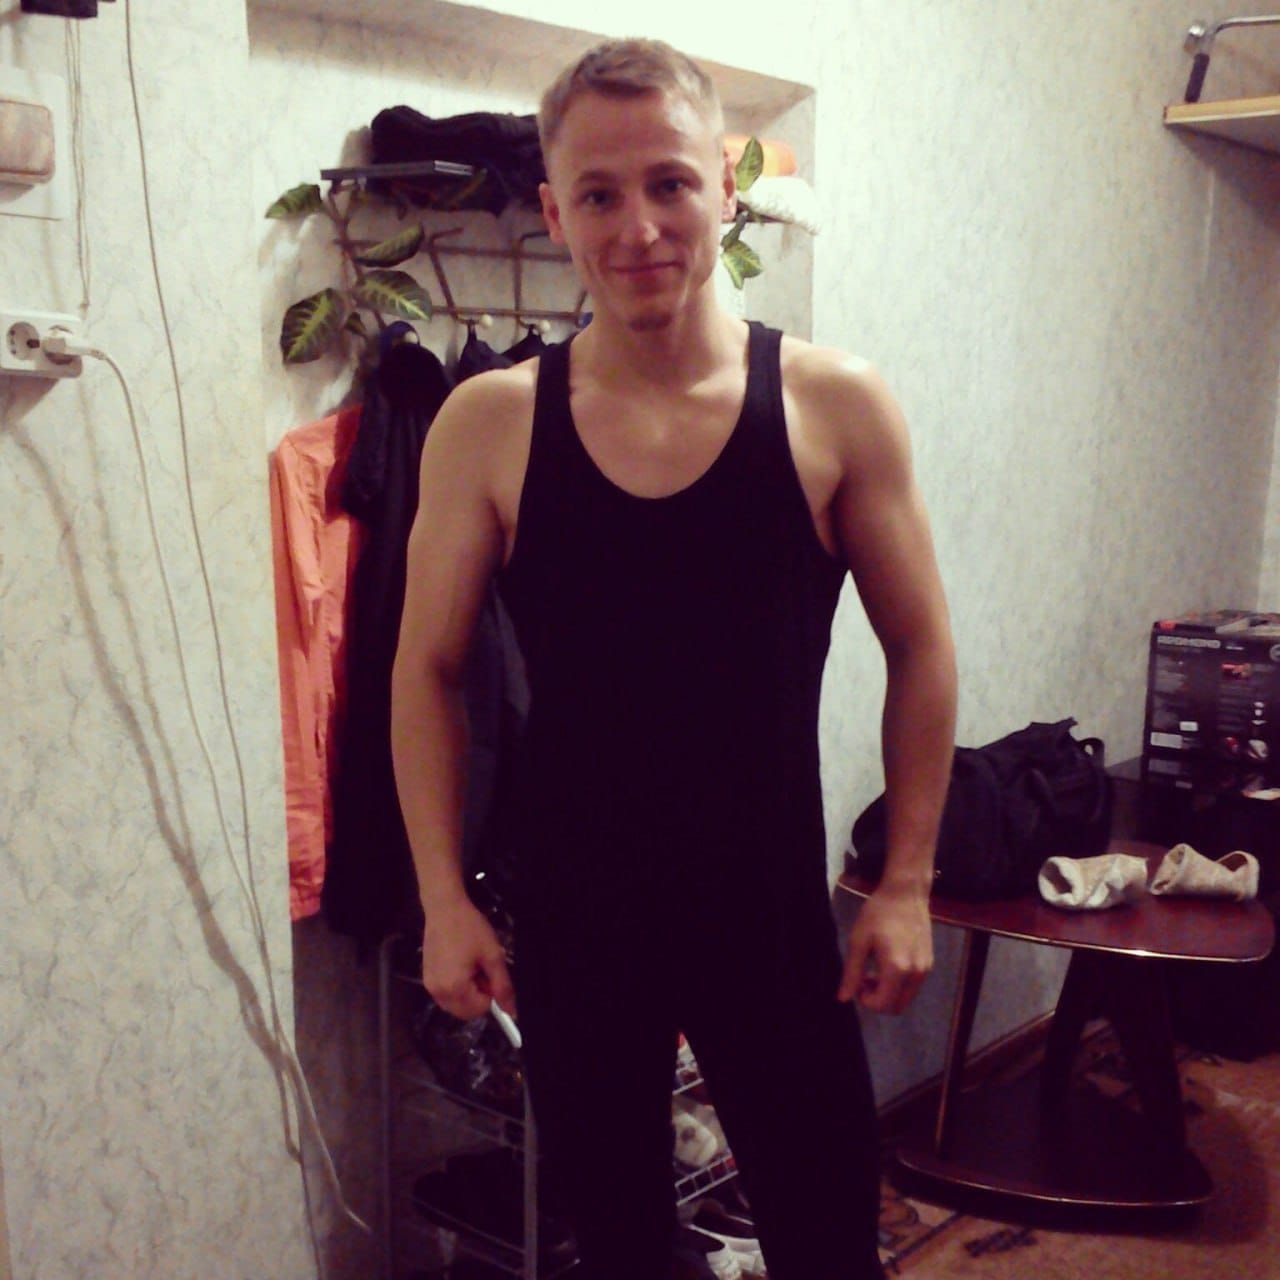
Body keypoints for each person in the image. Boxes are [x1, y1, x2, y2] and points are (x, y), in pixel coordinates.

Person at [390, 37, 957, 1280]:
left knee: (826, 1240)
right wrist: (442, 896)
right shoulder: (490, 423)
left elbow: (918, 644)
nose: (637, 225)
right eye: (597, 193)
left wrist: (906, 878)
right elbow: (425, 668)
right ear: (553, 213)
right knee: (617, 1250)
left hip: (768, 914)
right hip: (578, 920)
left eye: (669, 183)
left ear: (726, 189)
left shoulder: (831, 405)